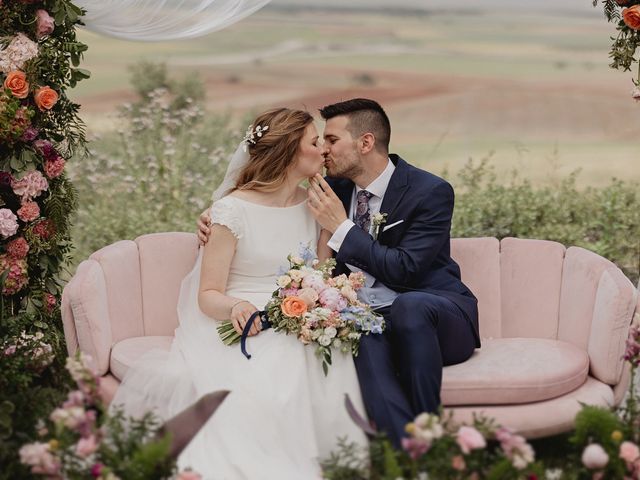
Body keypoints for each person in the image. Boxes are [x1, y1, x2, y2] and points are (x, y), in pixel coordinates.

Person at [198, 98, 481, 449]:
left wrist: (343, 227)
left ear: (364, 143)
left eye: (331, 141)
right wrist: (213, 216)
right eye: (320, 142)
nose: (325, 150)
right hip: (365, 317)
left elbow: (406, 270)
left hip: (435, 315)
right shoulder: (332, 189)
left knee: (409, 307)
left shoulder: (430, 191)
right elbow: (264, 202)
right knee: (360, 331)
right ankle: (411, 454)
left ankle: (432, 435)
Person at [112, 107, 367, 480]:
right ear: (289, 154)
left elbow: (321, 274)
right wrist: (238, 306)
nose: (323, 150)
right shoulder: (230, 211)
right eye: (315, 142)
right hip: (233, 317)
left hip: (298, 311)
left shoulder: (319, 204)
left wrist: (317, 300)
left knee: (319, 350)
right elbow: (209, 293)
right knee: (279, 358)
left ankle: (332, 465)